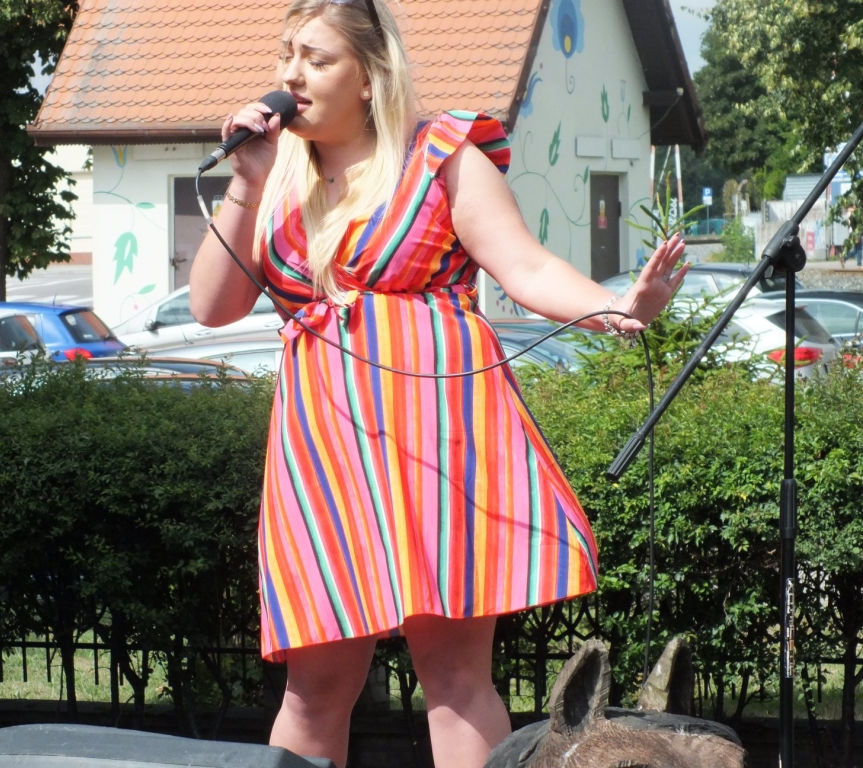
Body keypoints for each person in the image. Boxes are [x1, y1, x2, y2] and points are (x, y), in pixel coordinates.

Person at [189, 1, 688, 766]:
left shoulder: (441, 153)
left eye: (316, 58)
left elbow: (524, 265)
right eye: (287, 54)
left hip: (439, 434)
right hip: (323, 449)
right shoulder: (274, 170)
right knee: (313, 688)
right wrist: (247, 183)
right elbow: (212, 306)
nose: (292, 74)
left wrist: (615, 308)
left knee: (454, 678)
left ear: (369, 75)